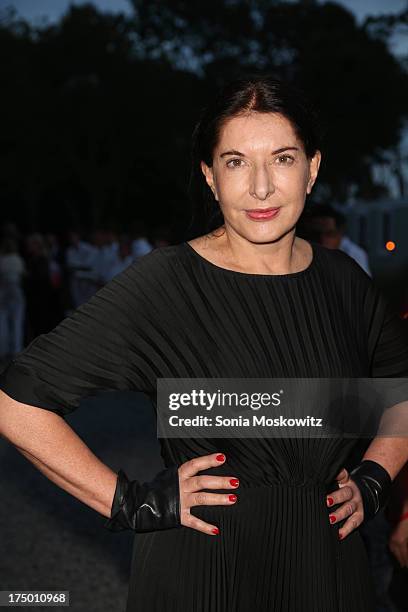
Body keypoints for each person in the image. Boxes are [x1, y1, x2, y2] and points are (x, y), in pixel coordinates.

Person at [0, 76, 408, 612]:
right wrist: (132, 503)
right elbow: (18, 401)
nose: (260, 187)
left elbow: (398, 392)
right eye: (236, 162)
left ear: (311, 169)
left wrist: (374, 479)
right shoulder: (165, 284)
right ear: (210, 178)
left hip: (330, 571)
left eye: (282, 159)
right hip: (206, 572)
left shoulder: (344, 279)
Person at [300, 203, 372, 276]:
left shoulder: (354, 255)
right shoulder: (302, 252)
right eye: (316, 234)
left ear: (340, 233)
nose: (322, 240)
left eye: (329, 234)